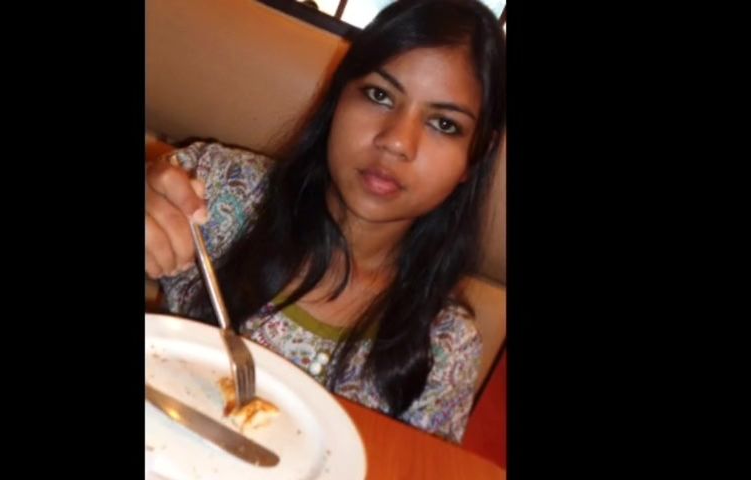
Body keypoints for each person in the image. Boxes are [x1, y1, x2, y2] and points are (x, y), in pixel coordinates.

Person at [145, 0, 505, 443]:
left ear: (475, 156)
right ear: (338, 97)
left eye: (444, 124)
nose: (396, 142)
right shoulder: (220, 191)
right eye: (379, 95)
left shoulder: (446, 346)